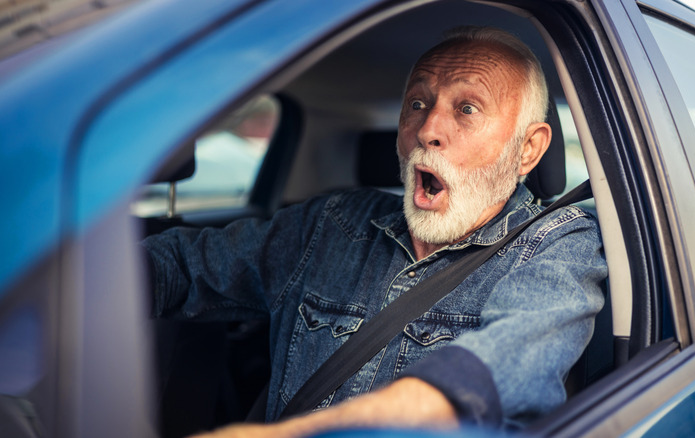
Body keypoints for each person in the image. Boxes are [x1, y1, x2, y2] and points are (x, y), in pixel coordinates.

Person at [142, 26, 607, 437]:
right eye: (418, 104)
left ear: (528, 150)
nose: (428, 129)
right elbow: (181, 267)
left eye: (466, 108)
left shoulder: (558, 245)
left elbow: (485, 378)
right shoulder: (334, 223)